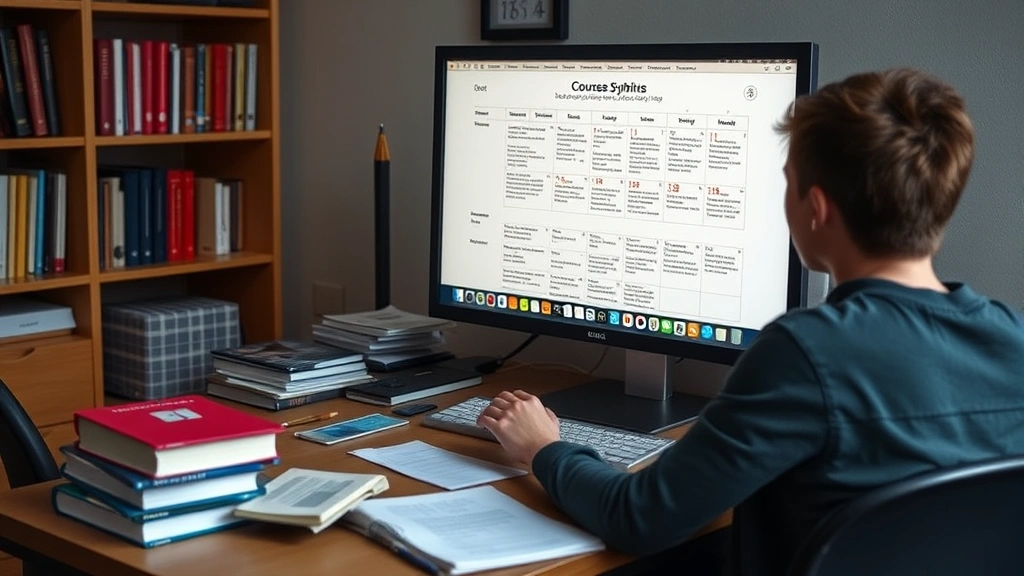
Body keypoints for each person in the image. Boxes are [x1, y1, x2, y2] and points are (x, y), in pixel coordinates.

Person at [476, 67, 1024, 576]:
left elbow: (638, 518)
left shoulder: (807, 352)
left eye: (785, 181)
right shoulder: (1011, 339)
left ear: (817, 208)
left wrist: (543, 448)